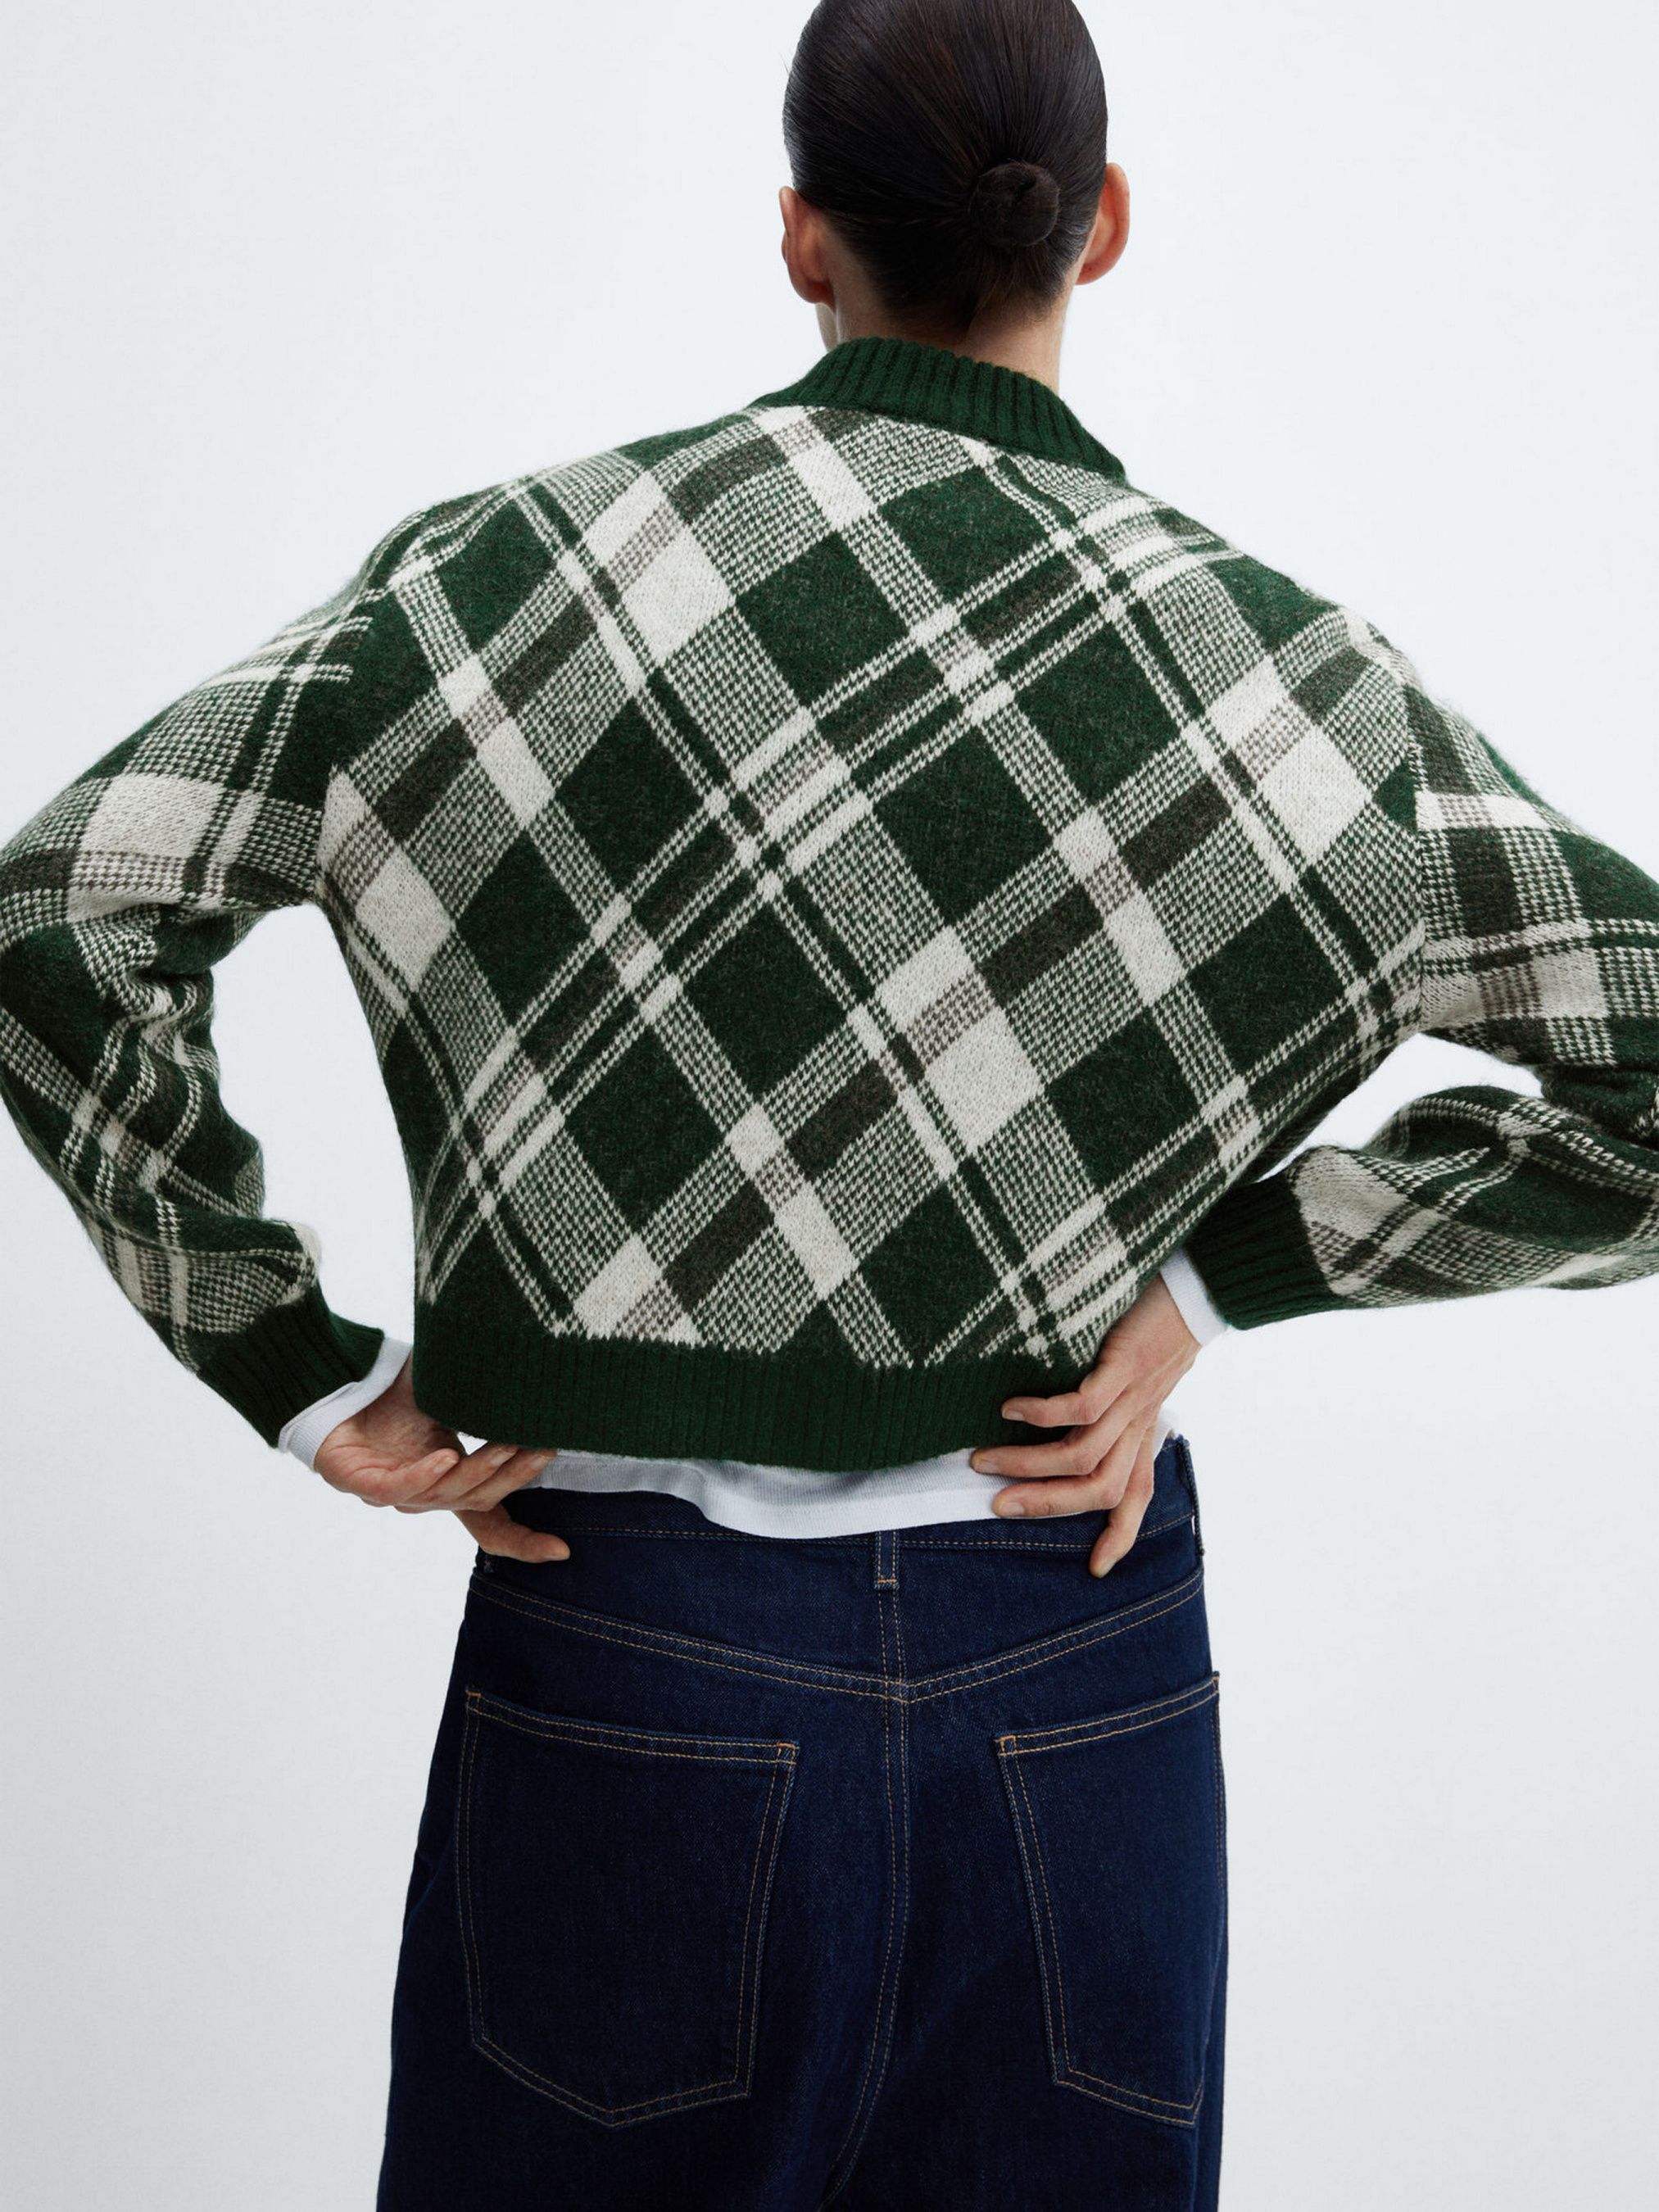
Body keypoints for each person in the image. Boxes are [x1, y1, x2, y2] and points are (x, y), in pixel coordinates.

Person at [2, 0, 1657, 2205]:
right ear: (1102, 221)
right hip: (1071, 1664)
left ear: (803, 237)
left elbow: (59, 913)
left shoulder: (498, 584)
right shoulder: (1302, 692)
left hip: (632, 1659)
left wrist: (289, 1366)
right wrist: (1217, 1283)